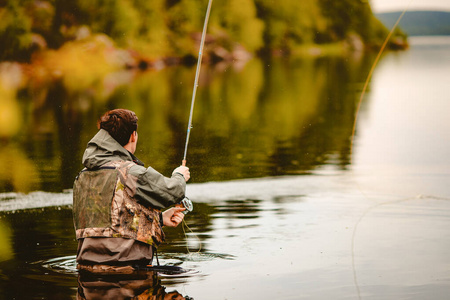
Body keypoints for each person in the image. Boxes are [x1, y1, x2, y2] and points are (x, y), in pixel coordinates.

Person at [72, 109, 190, 273]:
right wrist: (179, 175)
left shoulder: (82, 176)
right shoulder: (129, 172)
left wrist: (160, 219)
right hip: (127, 269)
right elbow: (174, 191)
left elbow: (110, 223)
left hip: (86, 269)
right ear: (133, 135)